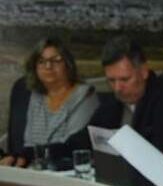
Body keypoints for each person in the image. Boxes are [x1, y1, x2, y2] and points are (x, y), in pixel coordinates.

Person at [87, 36, 163, 165]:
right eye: (111, 80)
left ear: (143, 72)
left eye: (125, 79)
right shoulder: (113, 104)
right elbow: (85, 139)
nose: (117, 88)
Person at [1, 37, 98, 168]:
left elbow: (72, 147)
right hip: (27, 168)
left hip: (63, 170)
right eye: (41, 61)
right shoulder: (29, 94)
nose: (48, 67)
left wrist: (30, 154)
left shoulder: (85, 95)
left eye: (56, 60)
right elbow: (24, 143)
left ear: (68, 64)